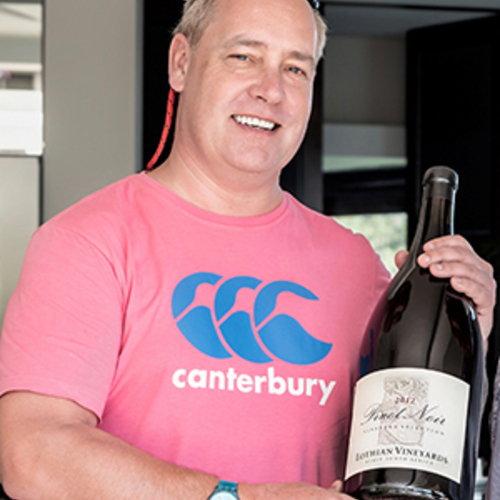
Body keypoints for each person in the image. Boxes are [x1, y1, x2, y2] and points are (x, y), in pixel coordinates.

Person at [0, 0, 495, 499]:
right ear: (181, 62)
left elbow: (417, 455)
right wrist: (240, 497)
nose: (271, 90)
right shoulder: (87, 243)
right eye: (244, 57)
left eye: (295, 68)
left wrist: (470, 328)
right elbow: (32, 456)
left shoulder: (355, 265)